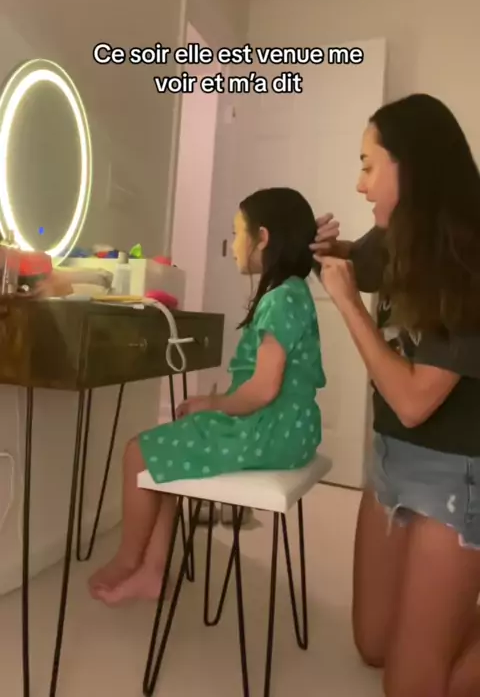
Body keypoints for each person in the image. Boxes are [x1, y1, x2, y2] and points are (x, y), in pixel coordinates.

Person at [312, 93, 480, 697]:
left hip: (457, 475)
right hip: (391, 461)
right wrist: (316, 248)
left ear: (411, 168)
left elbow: (413, 402)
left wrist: (349, 306)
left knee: (412, 686)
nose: (360, 185)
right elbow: (353, 262)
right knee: (374, 645)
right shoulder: (398, 235)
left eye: (368, 165)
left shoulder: (471, 258)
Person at [89, 187, 326, 605]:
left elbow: (263, 389)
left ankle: (130, 559)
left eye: (237, 233)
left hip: (271, 430)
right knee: (174, 448)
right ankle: (153, 571)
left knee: (137, 453)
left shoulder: (279, 300)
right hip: (293, 430)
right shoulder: (295, 292)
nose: (232, 244)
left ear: (263, 238)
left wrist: (212, 404)